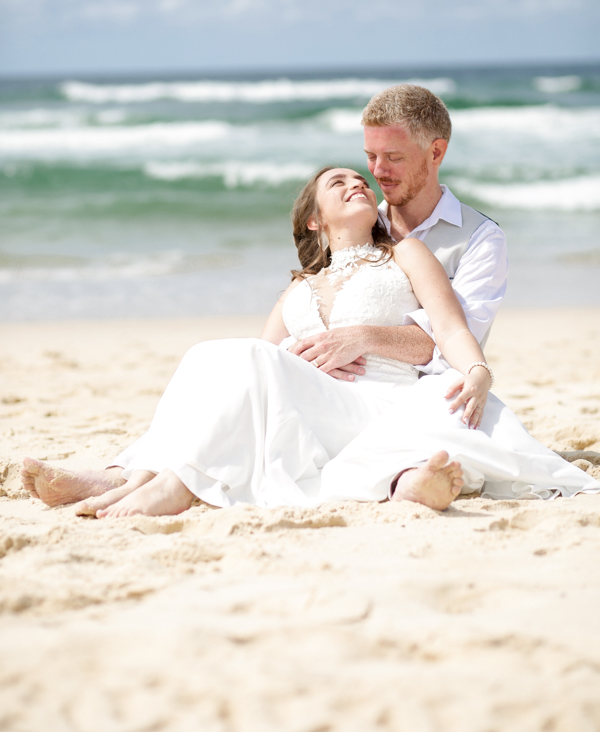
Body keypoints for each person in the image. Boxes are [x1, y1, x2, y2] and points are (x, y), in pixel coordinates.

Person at [21, 167, 599, 518]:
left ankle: (171, 486)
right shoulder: (297, 288)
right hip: (312, 410)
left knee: (245, 358)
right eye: (337, 183)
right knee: (210, 357)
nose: (357, 183)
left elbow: (447, 330)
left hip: (380, 403)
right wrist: (293, 366)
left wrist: (478, 371)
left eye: (359, 179)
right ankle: (130, 475)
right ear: (315, 221)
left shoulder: (404, 254)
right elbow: (241, 378)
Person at [288, 84, 508, 383]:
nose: (378, 171)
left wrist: (365, 338)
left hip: (430, 393)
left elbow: (454, 344)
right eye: (371, 156)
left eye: (393, 157)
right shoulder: (352, 227)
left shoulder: (480, 238)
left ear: (435, 152)